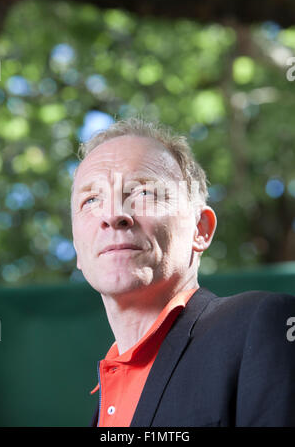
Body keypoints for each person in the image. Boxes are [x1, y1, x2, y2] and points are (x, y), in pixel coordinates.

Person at [71, 118, 295, 427]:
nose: (113, 215)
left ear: (200, 229)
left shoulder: (266, 324)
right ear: (77, 249)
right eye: (91, 199)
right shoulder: (101, 403)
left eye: (143, 192)